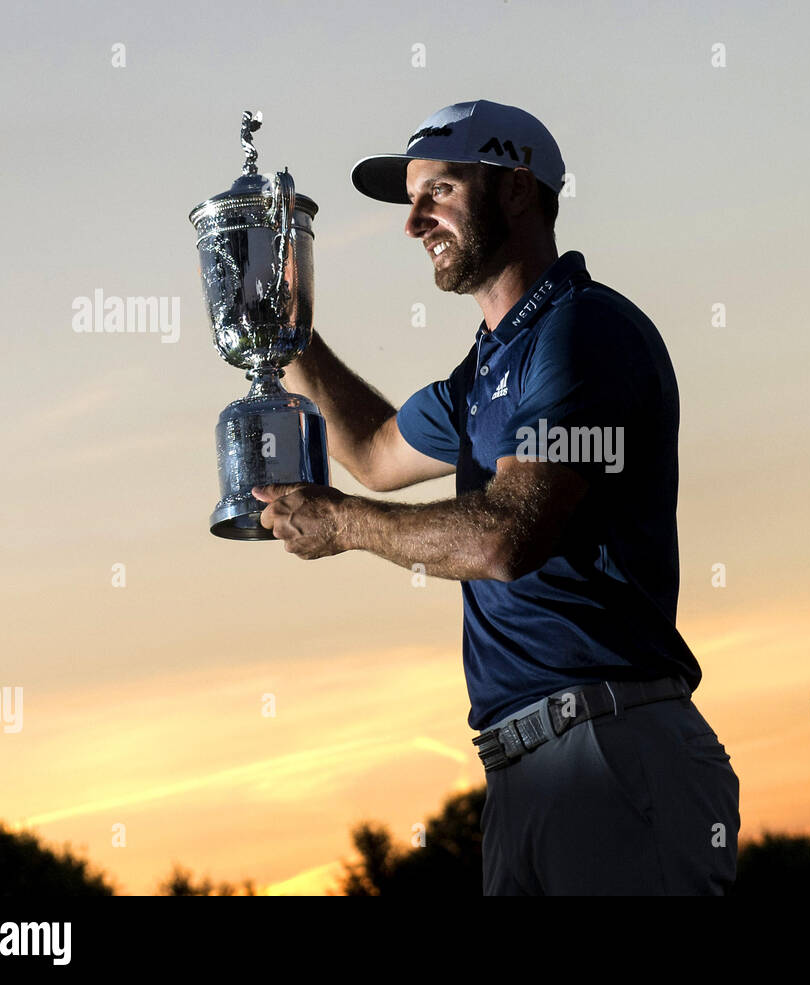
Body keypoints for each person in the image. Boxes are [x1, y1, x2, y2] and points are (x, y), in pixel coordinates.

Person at [254, 99, 739, 895]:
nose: (414, 222)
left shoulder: (582, 332)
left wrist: (340, 522)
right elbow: (375, 451)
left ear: (517, 189)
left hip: (609, 749)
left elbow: (505, 538)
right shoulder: (484, 370)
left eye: (437, 191)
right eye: (411, 200)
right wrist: (288, 332)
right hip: (525, 774)